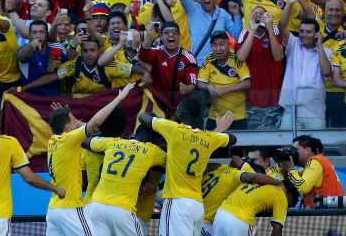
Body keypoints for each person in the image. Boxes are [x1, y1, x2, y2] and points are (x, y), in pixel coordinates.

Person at [139, 94, 236, 236]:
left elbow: (143, 117)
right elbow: (233, 139)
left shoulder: (174, 129)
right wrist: (218, 130)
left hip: (177, 201)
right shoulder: (209, 138)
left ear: (181, 113)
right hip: (197, 206)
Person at [45, 83, 134, 235]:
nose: (77, 121)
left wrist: (63, 117)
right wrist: (119, 98)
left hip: (53, 210)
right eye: (73, 120)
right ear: (67, 128)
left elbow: (86, 127)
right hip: (70, 209)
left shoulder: (53, 141)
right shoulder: (69, 140)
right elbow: (95, 123)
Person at [82, 127, 166, 235]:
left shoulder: (112, 142)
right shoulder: (151, 150)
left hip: (96, 206)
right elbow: (174, 163)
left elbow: (85, 142)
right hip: (122, 211)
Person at [139, 20, 198, 111]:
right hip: (157, 103)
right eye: (166, 32)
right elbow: (142, 55)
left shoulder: (188, 57)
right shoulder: (156, 52)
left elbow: (192, 83)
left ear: (179, 36)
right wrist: (149, 37)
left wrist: (187, 88)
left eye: (175, 32)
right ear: (161, 37)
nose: (171, 35)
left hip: (178, 106)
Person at [285, 135, 345, 208]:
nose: (292, 153)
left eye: (295, 150)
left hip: (327, 213)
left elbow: (303, 187)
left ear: (307, 150)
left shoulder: (315, 161)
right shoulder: (318, 162)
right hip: (330, 210)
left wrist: (291, 170)